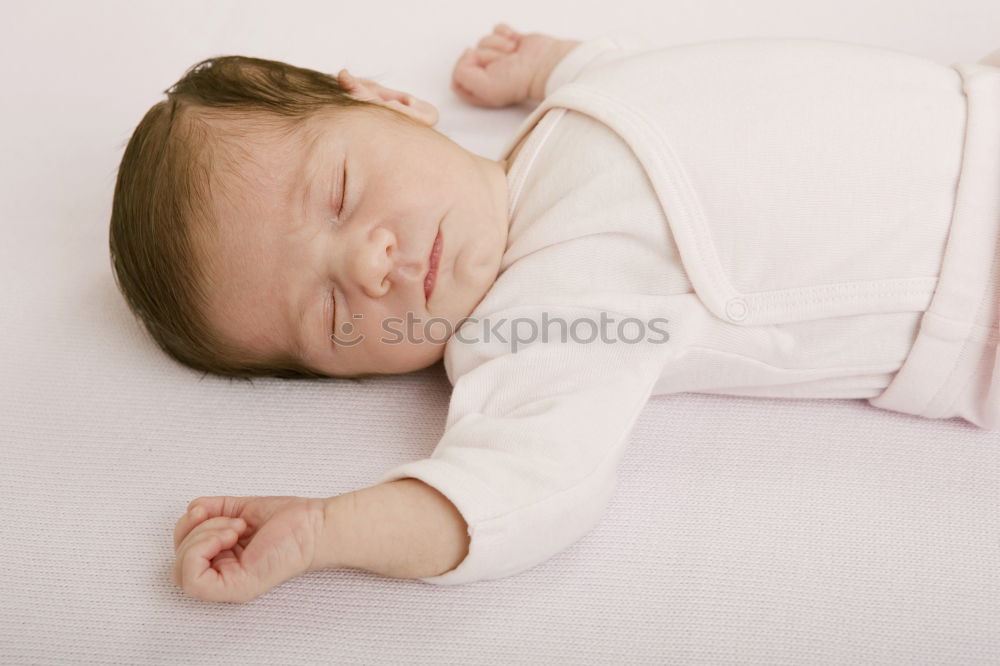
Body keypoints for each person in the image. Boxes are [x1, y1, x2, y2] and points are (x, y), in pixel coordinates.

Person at [109, 24, 1000, 603]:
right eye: (329, 312)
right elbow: (520, 489)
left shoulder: (558, 124)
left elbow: (668, 87)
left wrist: (551, 65)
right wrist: (327, 530)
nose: (368, 263)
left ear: (387, 100)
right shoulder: (537, 328)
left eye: (340, 193)